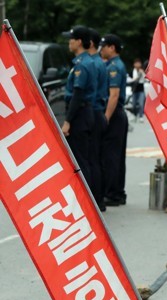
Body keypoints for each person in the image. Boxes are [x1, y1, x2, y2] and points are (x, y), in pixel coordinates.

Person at [62, 25, 96, 184]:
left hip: (80, 114)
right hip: (84, 112)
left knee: (80, 161)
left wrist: (68, 121)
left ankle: (85, 203)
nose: (69, 42)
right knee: (82, 158)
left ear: (79, 41)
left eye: (71, 39)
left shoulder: (82, 65)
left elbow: (77, 95)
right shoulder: (85, 61)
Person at [100, 34, 128, 206]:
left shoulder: (114, 67)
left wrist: (106, 118)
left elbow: (114, 95)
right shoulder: (112, 65)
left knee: (110, 155)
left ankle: (112, 193)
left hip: (114, 113)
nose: (101, 49)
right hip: (117, 113)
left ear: (112, 47)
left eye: (104, 46)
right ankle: (117, 191)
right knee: (116, 155)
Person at [88, 28, 108, 212]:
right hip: (98, 112)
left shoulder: (92, 64)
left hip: (93, 112)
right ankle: (98, 198)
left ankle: (95, 199)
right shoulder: (98, 63)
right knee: (96, 158)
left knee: (91, 158)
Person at [131, 58, 146, 122]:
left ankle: (141, 116)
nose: (137, 64)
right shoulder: (133, 71)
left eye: (138, 63)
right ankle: (134, 115)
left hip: (141, 89)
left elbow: (146, 79)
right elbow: (133, 79)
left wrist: (142, 73)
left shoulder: (142, 71)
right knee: (134, 104)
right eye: (136, 63)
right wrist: (137, 77)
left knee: (141, 103)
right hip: (134, 89)